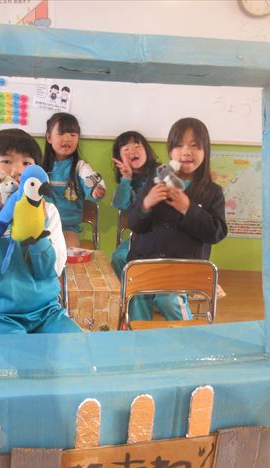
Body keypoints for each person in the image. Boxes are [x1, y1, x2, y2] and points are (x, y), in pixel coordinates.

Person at [0, 128, 81, 334]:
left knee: (75, 347)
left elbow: (51, 271)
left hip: (46, 312)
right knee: (17, 353)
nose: (18, 171)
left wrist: (38, 229)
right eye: (6, 161)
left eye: (27, 163)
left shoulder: (48, 211)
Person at [126, 118, 227, 321]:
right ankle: (139, 338)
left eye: (194, 145)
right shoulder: (155, 182)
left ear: (205, 151)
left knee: (167, 299)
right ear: (170, 150)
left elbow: (216, 232)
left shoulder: (212, 192)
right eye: (179, 145)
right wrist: (146, 204)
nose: (186, 152)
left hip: (184, 268)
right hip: (146, 263)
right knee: (136, 298)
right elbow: (134, 223)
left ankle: (187, 335)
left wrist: (187, 209)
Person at [42, 112, 106, 248]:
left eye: (72, 134)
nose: (67, 139)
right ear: (49, 137)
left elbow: (90, 177)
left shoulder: (80, 167)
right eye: (61, 133)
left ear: (78, 138)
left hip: (67, 228)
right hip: (41, 226)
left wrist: (96, 189)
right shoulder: (39, 168)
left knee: (68, 253)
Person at [110, 130, 160, 278]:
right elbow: (120, 205)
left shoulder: (161, 172)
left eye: (137, 146)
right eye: (126, 149)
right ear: (119, 158)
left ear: (147, 151)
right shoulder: (127, 182)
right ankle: (129, 290)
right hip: (140, 236)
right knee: (119, 257)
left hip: (164, 234)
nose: (132, 151)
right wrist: (126, 178)